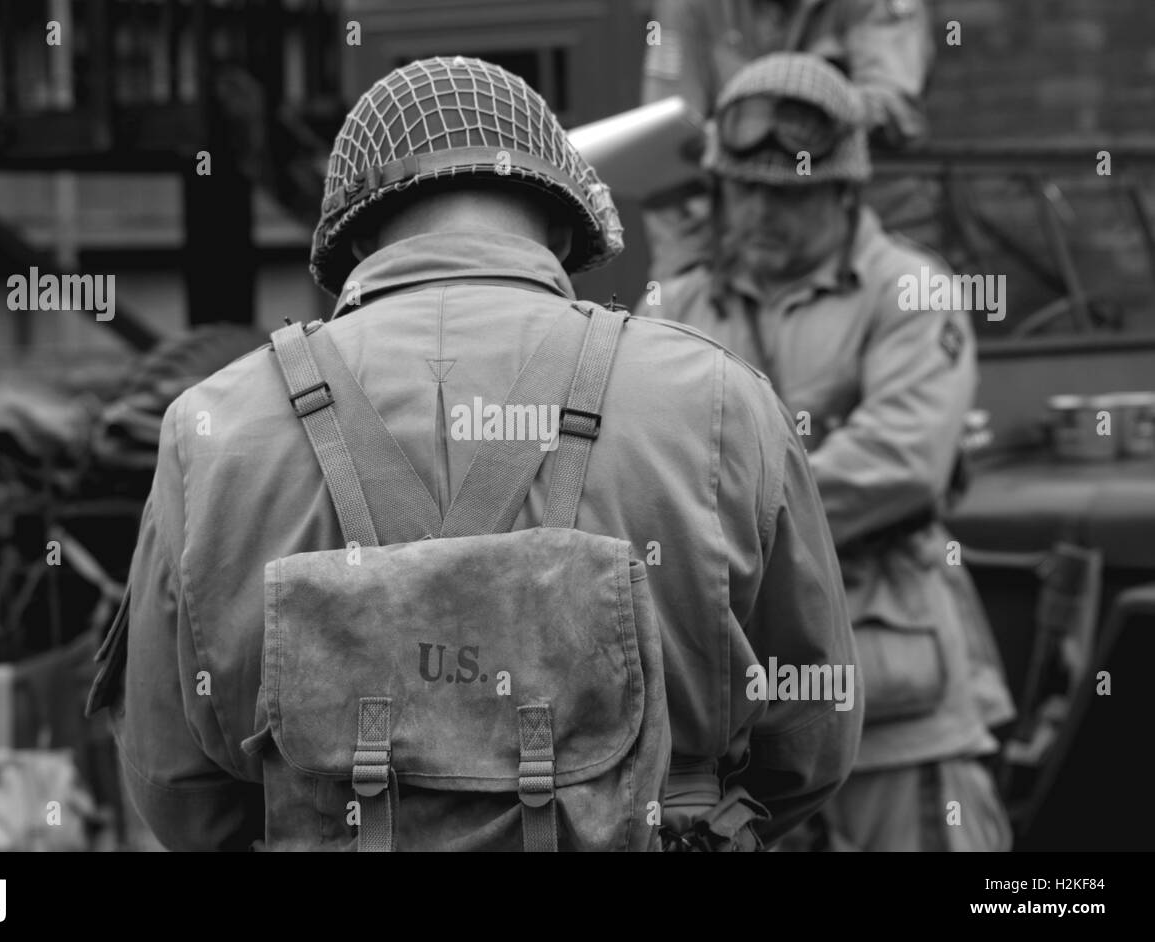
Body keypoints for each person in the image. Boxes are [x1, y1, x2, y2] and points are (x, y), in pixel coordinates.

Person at [87, 55, 860, 852]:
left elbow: (175, 785)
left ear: (354, 241)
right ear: (562, 228)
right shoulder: (722, 398)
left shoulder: (209, 431)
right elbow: (810, 744)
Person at [638, 52, 1013, 851]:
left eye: (790, 194)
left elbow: (902, 461)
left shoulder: (910, 289)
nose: (762, 214)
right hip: (732, 719)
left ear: (846, 191)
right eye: (744, 190)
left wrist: (720, 522)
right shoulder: (682, 303)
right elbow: (640, 459)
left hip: (892, 701)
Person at [641, 0, 935, 283]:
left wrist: (811, 106)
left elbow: (896, 106)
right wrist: (682, 268)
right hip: (731, 235)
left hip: (857, 230)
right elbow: (668, 135)